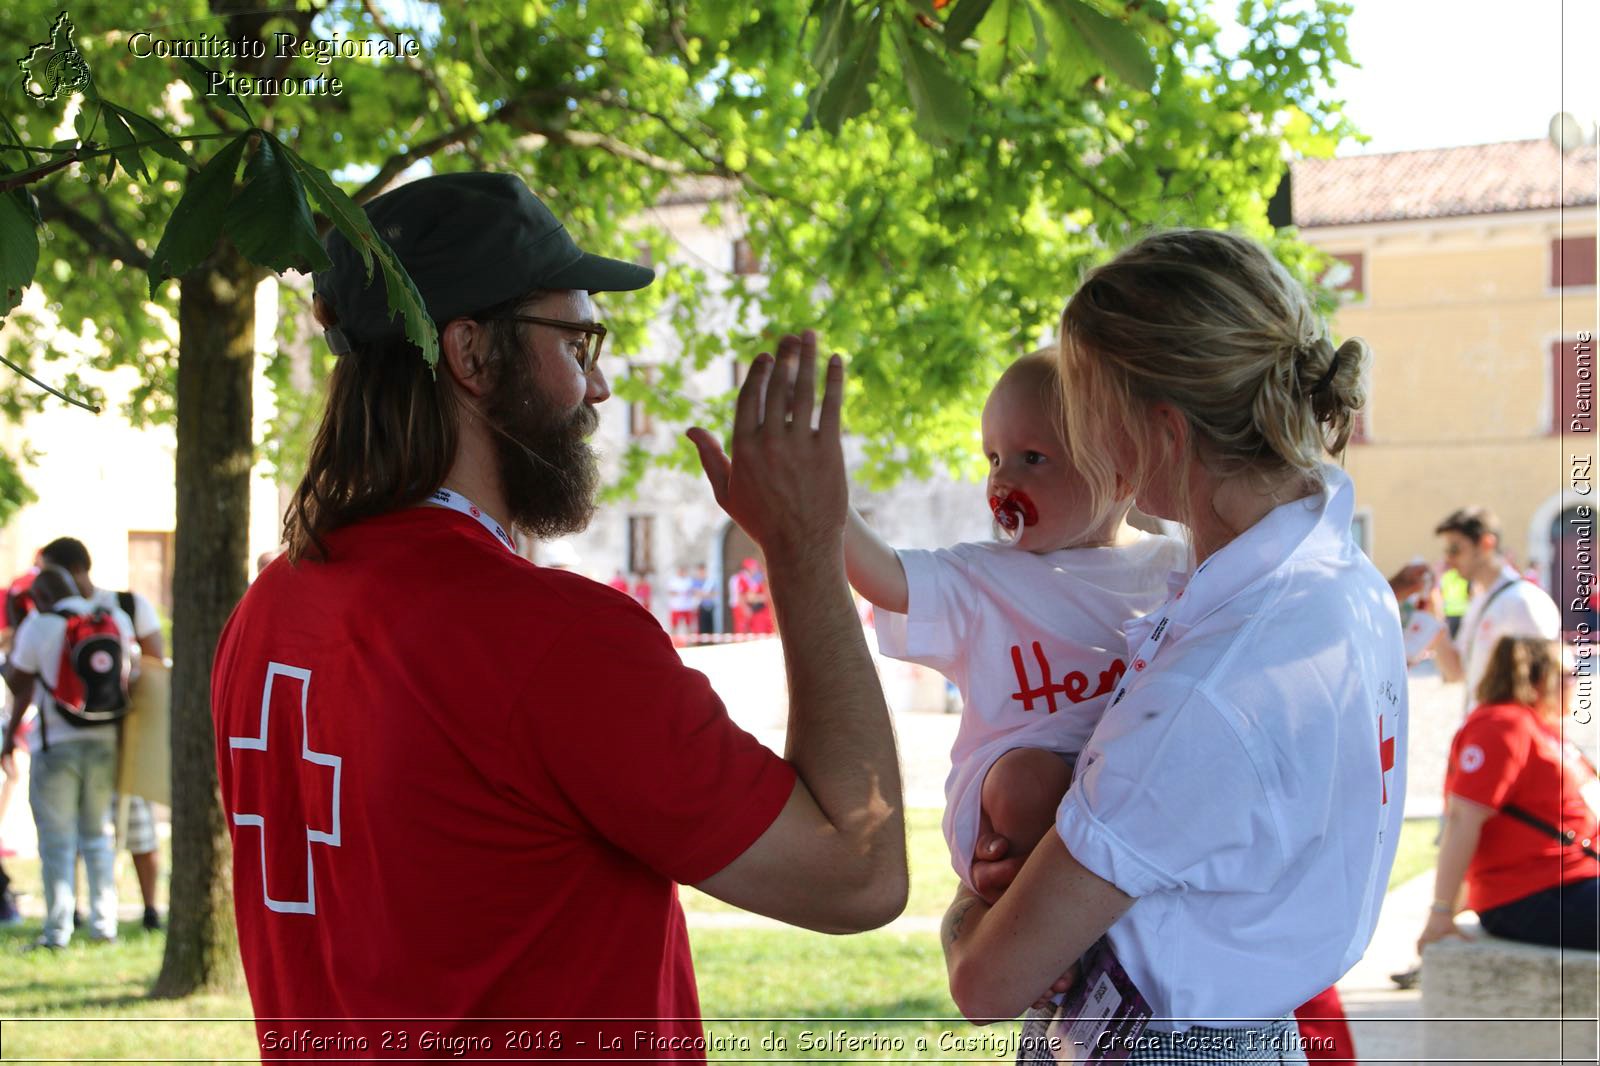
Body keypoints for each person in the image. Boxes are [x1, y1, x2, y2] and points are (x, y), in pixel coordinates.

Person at [211, 172, 905, 1058]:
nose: (602, 387)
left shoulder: (268, 609)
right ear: (470, 353)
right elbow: (860, 872)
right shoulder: (552, 638)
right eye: (578, 342)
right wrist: (805, 552)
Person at [940, 229, 1407, 1062]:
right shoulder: (1337, 579)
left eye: (1084, 412)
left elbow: (988, 984)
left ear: (1159, 431)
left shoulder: (1214, 684)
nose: (1082, 444)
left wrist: (966, 916)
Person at [845, 347, 1186, 892]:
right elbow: (886, 576)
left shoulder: (1173, 568)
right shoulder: (982, 576)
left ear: (1121, 476)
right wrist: (825, 500)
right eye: (993, 458)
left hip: (1127, 780)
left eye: (1033, 457)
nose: (1002, 479)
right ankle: (1036, 933)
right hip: (1015, 787)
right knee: (1029, 783)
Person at [1418, 637, 1599, 953]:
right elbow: (1463, 820)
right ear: (1539, 678)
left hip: (1571, 882)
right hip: (1538, 894)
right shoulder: (1501, 724)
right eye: (1571, 675)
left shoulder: (1535, 725)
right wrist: (1442, 911)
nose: (1580, 683)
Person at [0, 566, 136, 949]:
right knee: (98, 836)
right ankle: (104, 925)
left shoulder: (40, 624)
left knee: (57, 841)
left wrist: (17, 620)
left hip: (56, 743)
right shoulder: (115, 619)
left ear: (40, 597)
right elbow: (133, 673)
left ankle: (58, 931)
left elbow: (16, 681)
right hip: (106, 738)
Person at [38, 536, 166, 931]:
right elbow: (154, 664)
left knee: (90, 831)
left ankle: (133, 911)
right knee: (97, 833)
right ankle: (108, 918)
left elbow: (154, 664)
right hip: (117, 737)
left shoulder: (124, 606)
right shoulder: (125, 610)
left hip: (102, 738)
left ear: (72, 570)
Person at [1391, 508, 1560, 713]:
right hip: (1484, 729)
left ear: (1486, 544)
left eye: (1455, 549)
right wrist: (1434, 614)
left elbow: (1546, 688)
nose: (1448, 560)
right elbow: (1455, 672)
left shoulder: (1523, 601)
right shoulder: (1480, 600)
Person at [730, 557, 772, 635]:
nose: (756, 569)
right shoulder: (741, 578)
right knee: (742, 630)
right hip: (741, 607)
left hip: (755, 608)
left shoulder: (753, 578)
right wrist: (745, 608)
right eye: (754, 567)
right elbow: (743, 596)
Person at [667, 566, 697, 635]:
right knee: (674, 626)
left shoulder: (689, 580)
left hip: (687, 607)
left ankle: (690, 643)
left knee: (689, 626)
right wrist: (681, 592)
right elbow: (670, 592)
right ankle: (673, 641)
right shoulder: (673, 580)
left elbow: (693, 591)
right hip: (676, 607)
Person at [692, 563, 717, 636]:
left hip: (710, 607)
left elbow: (714, 593)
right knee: (702, 627)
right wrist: (706, 594)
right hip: (701, 607)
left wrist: (704, 594)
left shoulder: (710, 581)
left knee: (710, 627)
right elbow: (696, 593)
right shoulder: (696, 581)